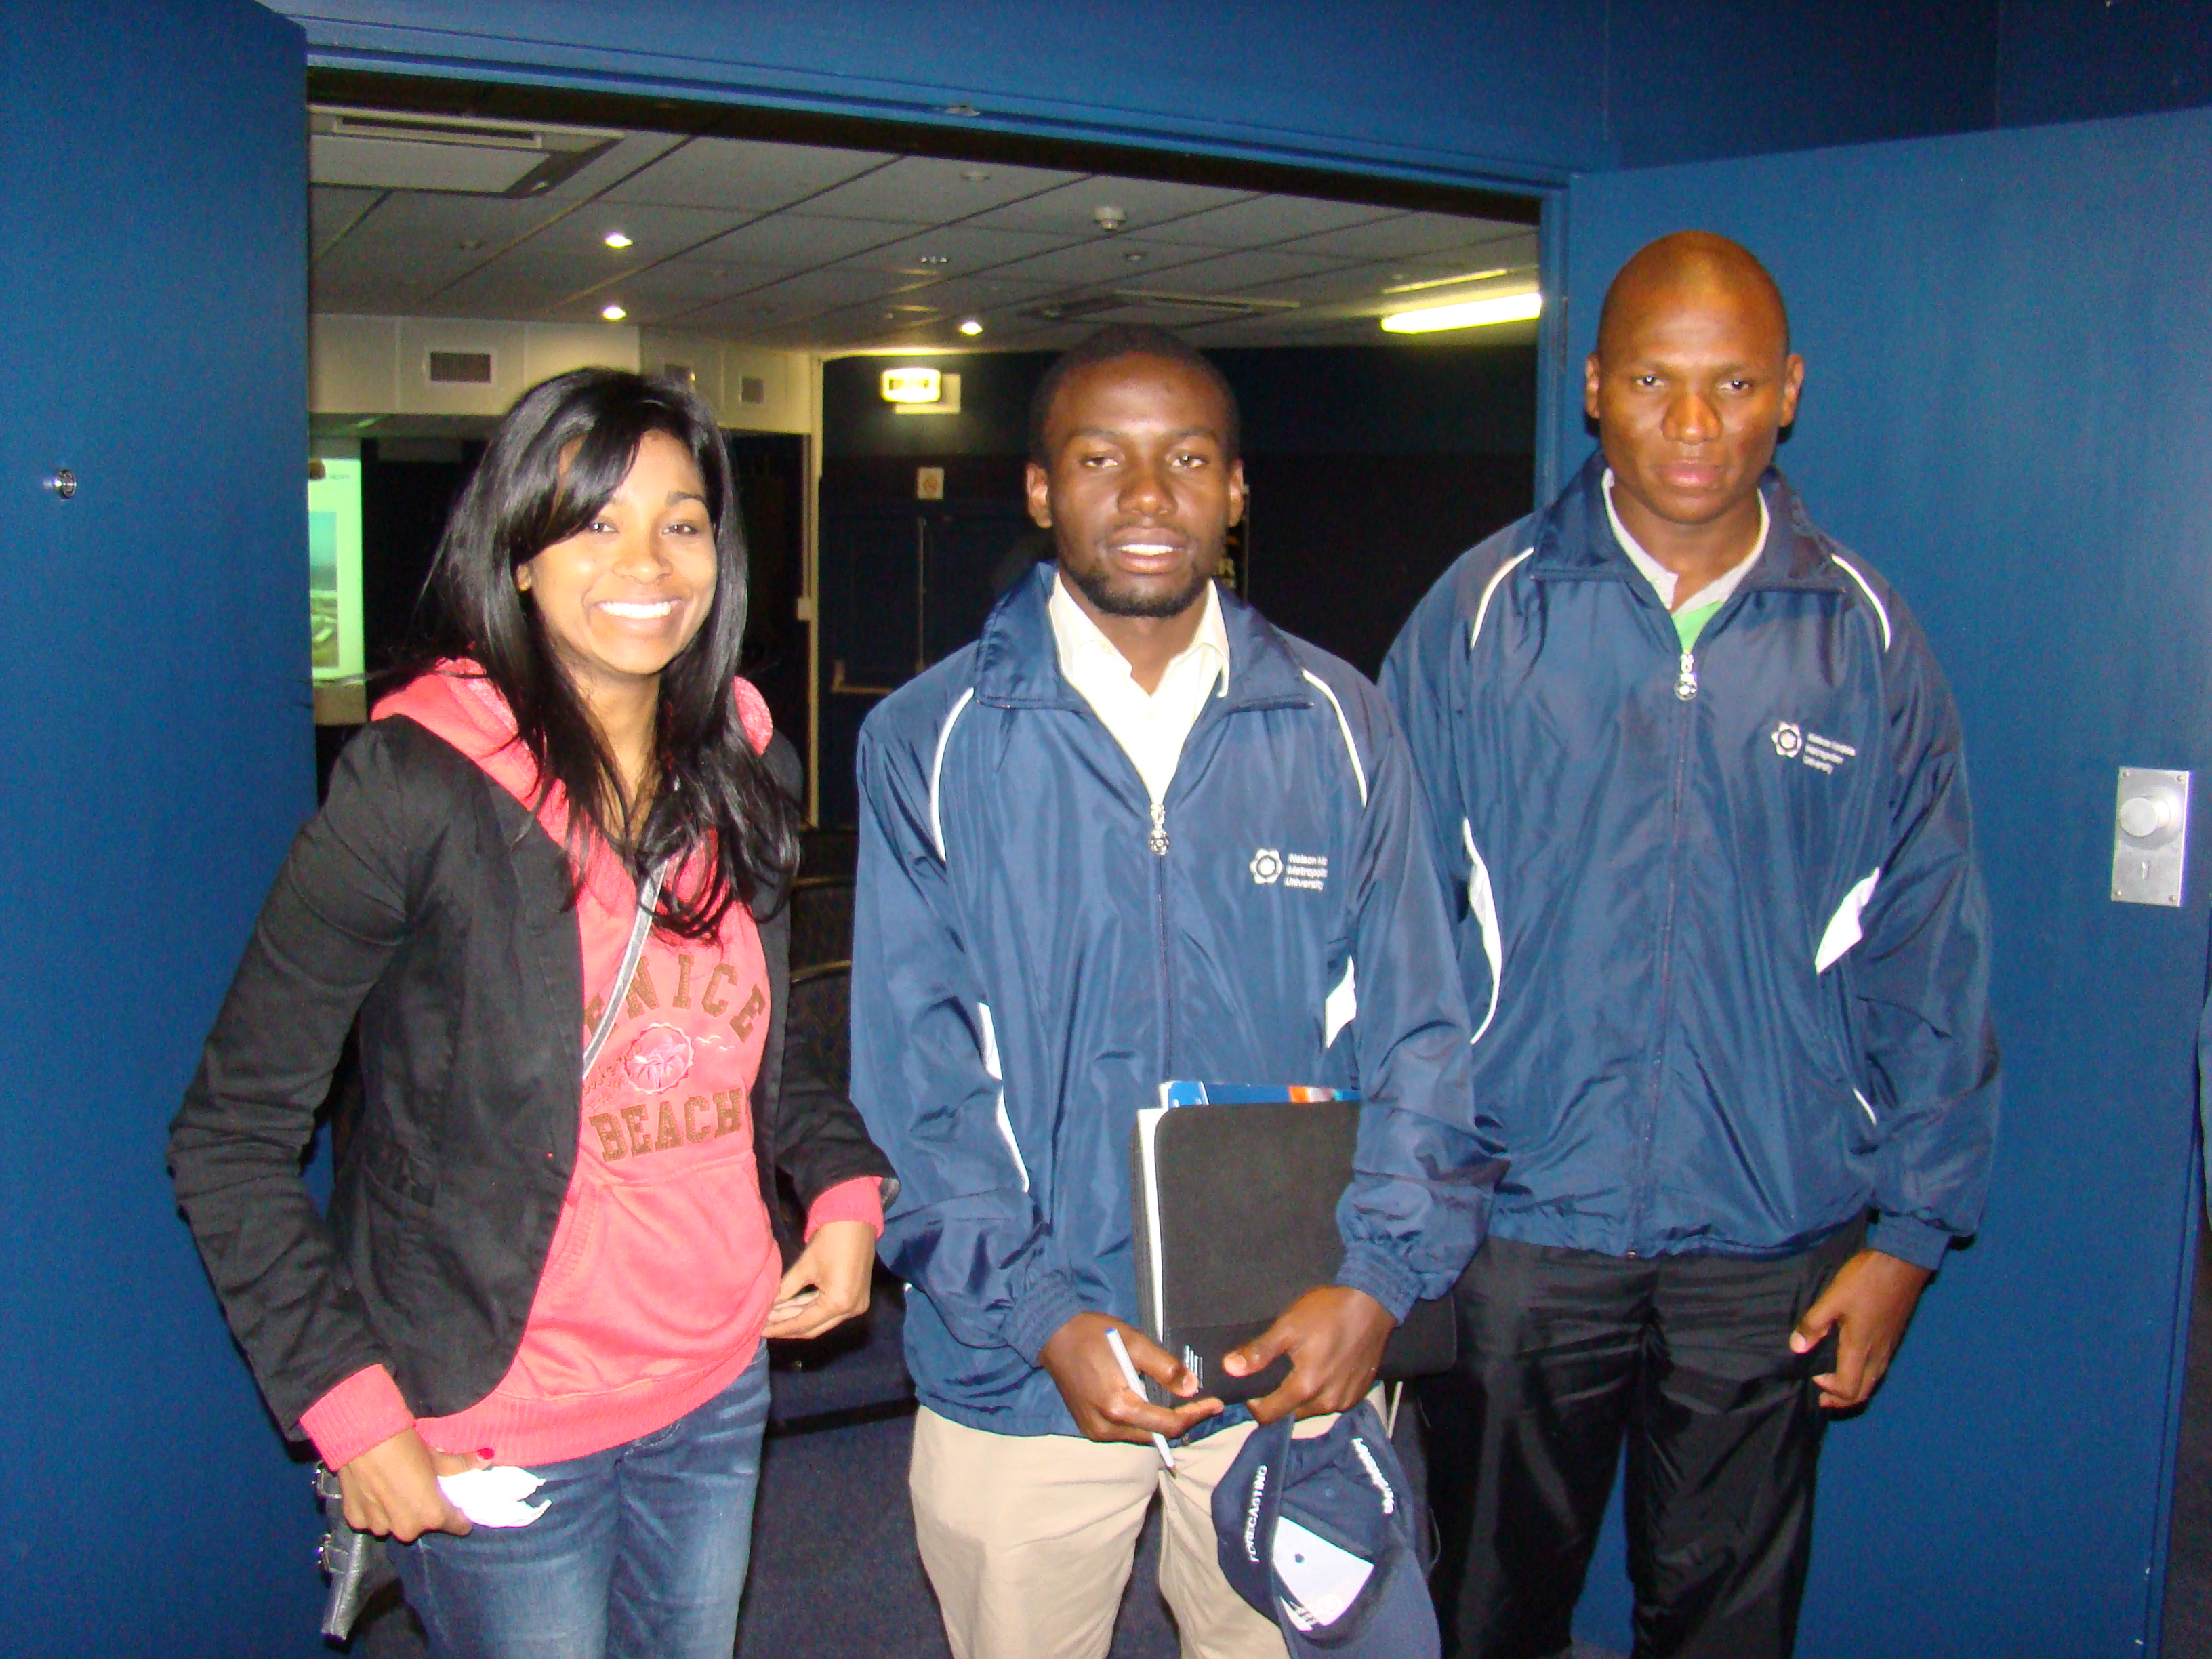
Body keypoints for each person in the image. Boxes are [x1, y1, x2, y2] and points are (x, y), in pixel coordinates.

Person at [169, 369, 893, 1659]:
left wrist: (840, 1190)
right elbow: (227, 1139)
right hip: (502, 1405)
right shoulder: (416, 787)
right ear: (515, 554)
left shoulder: (748, 766)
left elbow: (756, 1060)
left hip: (714, 1380)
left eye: (681, 522)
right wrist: (347, 1406)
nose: (646, 561)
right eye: (594, 521)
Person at [1382, 232, 2001, 1659]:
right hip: (1521, 1229)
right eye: (1656, 379)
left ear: (1789, 391)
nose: (1695, 423)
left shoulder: (1864, 641)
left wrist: (1910, 1234)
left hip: (1770, 1240)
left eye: (1732, 384)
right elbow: (1393, 931)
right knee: (1485, 1613)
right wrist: (1410, 1197)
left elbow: (1933, 952)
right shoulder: (1481, 620)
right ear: (1595, 387)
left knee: (1727, 1624)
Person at [848, 323, 1500, 1659]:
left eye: (1188, 459)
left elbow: (1423, 1034)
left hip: (1285, 1355)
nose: (1148, 500)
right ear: (1039, 490)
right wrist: (1039, 1318)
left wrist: (1376, 1284)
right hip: (1020, 1366)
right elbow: (918, 1075)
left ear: (1237, 489)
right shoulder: (928, 738)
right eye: (1103, 459)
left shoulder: (1343, 723)